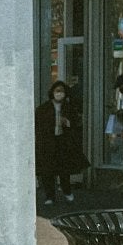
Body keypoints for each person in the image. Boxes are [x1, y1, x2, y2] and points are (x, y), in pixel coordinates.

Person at [34, 80, 82, 209]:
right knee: (47, 170)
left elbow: (76, 123)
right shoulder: (44, 108)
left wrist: (67, 122)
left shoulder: (69, 107)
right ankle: (50, 196)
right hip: (48, 143)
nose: (59, 94)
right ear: (52, 92)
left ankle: (67, 191)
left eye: (62, 91)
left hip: (63, 141)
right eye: (57, 91)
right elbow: (38, 124)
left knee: (64, 169)